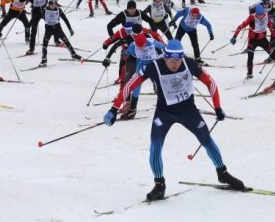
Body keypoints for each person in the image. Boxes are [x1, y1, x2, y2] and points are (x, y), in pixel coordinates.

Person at [103, 39, 245, 201]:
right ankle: (159, 185)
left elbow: (210, 82)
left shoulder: (189, 63)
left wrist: (217, 107)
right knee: (155, 147)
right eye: (172, 60)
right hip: (165, 113)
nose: (175, 64)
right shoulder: (154, 66)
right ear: (165, 57)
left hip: (188, 111)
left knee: (207, 140)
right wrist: (114, 109)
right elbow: (129, 86)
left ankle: (223, 173)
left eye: (178, 60)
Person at [230, 4, 275, 79]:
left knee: (273, 55)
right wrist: (234, 36)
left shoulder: (266, 17)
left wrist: (274, 37)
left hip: (262, 40)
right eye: (258, 15)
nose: (260, 16)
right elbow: (241, 26)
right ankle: (249, 74)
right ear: (256, 13)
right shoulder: (251, 17)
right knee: (250, 57)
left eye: (261, 14)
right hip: (252, 40)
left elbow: (271, 28)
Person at [40, 0, 81, 66]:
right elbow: (37, 17)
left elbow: (65, 20)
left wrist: (70, 29)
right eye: (52, 5)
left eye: (55, 5)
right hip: (48, 28)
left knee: (66, 41)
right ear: (49, 5)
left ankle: (73, 54)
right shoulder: (44, 10)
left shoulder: (59, 10)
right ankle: (44, 60)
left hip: (57, 28)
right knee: (45, 44)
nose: (53, 6)